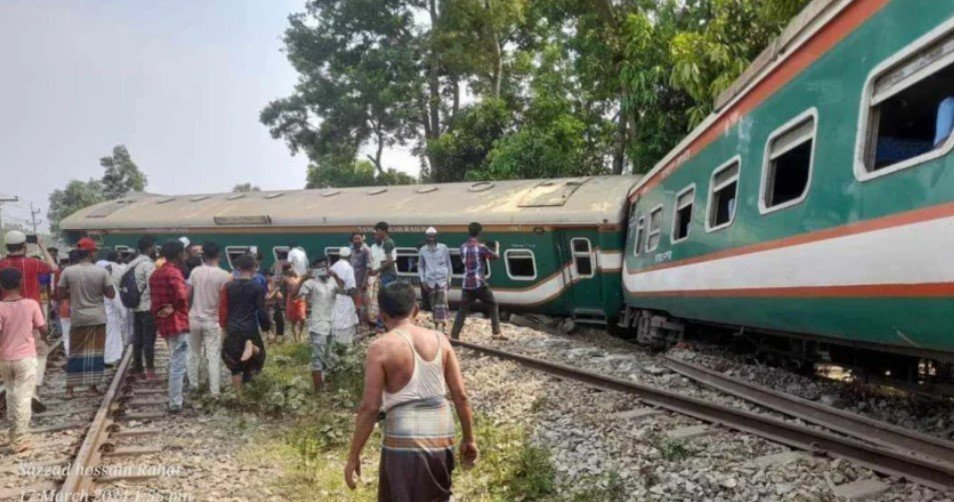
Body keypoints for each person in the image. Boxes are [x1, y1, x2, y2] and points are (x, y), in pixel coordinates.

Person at [344, 282, 478, 499]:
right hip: (442, 435)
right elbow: (460, 396)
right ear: (415, 310)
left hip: (403, 438)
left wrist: (353, 456)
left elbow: (370, 408)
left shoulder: (380, 348)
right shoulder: (440, 340)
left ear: (383, 315)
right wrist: (469, 439)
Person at [56, 238, 115, 398]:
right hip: (97, 317)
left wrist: (72, 292)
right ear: (91, 252)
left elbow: (59, 294)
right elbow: (111, 294)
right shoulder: (101, 271)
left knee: (75, 353)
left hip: (78, 317)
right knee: (96, 353)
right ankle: (92, 388)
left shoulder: (68, 271)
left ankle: (70, 390)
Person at [0, 230, 57, 396]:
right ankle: (34, 387)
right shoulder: (33, 263)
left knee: (8, 352)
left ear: (6, 247)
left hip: (5, 313)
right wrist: (41, 245)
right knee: (39, 351)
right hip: (31, 314)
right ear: (24, 246)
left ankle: (13, 387)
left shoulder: (1, 264)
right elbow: (53, 267)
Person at [0, 268, 48, 453]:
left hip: (5, 358)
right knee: (23, 397)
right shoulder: (31, 304)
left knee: (11, 394)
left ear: (1, 285)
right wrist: (45, 338)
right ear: (21, 282)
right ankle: (19, 440)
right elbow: (42, 328)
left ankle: (13, 435)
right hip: (26, 357)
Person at [149, 240, 190, 413]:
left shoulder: (156, 273)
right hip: (177, 322)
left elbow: (156, 304)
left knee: (175, 358)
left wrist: (164, 313)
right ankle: (175, 403)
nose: (185, 255)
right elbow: (181, 296)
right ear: (179, 254)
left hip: (164, 321)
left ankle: (180, 394)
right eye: (184, 252)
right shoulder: (174, 273)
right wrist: (173, 308)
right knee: (178, 364)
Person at [218, 253, 269, 391]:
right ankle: (253, 348)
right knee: (260, 357)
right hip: (250, 328)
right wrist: (267, 329)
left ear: (238, 268)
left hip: (233, 327)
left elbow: (223, 309)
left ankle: (239, 397)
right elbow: (262, 311)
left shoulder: (228, 287)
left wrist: (224, 327)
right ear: (254, 268)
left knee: (234, 363)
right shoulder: (258, 287)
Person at [187, 242, 231, 397]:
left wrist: (187, 312)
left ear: (203, 255)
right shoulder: (225, 275)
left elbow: (188, 294)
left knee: (193, 354)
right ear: (218, 255)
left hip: (193, 318)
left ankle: (193, 386)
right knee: (213, 356)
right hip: (213, 320)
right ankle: (215, 391)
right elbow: (226, 300)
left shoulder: (195, 272)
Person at [295, 257, 342, 392]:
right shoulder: (310, 283)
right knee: (318, 358)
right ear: (314, 270)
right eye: (319, 268)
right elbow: (294, 296)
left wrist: (336, 276)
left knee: (329, 356)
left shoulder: (333, 281)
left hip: (332, 324)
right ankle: (318, 391)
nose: (323, 271)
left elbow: (345, 292)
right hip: (318, 325)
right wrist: (302, 279)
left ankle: (325, 386)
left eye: (325, 267)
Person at [450, 222, 503, 341]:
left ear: (469, 232)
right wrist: (497, 247)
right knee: (493, 304)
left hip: (466, 284)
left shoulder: (462, 247)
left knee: (462, 309)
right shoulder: (481, 248)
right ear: (479, 233)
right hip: (479, 284)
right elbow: (495, 257)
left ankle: (454, 335)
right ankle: (496, 333)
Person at [126, 235, 158, 379]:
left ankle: (138, 370)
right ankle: (150, 370)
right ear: (150, 248)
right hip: (148, 307)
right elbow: (152, 287)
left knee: (137, 339)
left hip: (134, 307)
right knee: (148, 340)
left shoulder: (130, 264)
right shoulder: (148, 264)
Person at [418, 227, 452, 333]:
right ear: (426, 238)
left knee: (442, 303)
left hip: (442, 279)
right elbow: (420, 266)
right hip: (430, 281)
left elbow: (448, 263)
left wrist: (449, 278)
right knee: (433, 305)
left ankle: (443, 326)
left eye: (433, 237)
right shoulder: (423, 250)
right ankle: (437, 325)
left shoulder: (443, 248)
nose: (431, 239)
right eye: (429, 237)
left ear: (436, 237)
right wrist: (423, 280)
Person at [96, 251, 127, 366]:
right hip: (109, 317)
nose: (110, 270)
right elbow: (117, 302)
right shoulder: (109, 284)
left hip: (95, 316)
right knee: (110, 338)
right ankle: (108, 360)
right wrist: (124, 314)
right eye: (107, 269)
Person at [371, 222, 397, 333]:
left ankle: (380, 325)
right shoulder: (388, 242)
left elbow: (389, 261)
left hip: (387, 274)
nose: (376, 233)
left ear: (383, 231)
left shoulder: (387, 243)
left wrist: (377, 270)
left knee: (383, 299)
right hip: (389, 274)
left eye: (378, 230)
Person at [331, 247, 359, 345]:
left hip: (334, 300)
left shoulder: (333, 267)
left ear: (339, 256)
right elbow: (352, 289)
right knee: (346, 325)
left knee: (335, 324)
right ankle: (345, 348)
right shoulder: (349, 268)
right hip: (345, 300)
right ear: (350, 256)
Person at [348, 233, 372, 326]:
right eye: (355, 239)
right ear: (352, 240)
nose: (357, 241)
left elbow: (369, 267)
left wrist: (365, 282)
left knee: (364, 304)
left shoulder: (366, 250)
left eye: (359, 238)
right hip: (353, 282)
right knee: (356, 304)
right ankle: (357, 323)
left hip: (362, 282)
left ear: (363, 239)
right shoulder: (351, 249)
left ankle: (365, 324)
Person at [284, 267, 306, 342]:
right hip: (291, 299)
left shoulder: (301, 277)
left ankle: (300, 333)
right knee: (293, 321)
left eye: (293, 268)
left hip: (300, 299)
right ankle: (296, 338)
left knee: (303, 318)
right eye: (290, 268)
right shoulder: (286, 279)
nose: (292, 269)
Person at [266, 270, 286, 344]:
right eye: (268, 276)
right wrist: (275, 290)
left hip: (275, 304)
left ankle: (279, 339)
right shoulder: (263, 285)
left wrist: (277, 288)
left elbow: (280, 296)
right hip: (269, 306)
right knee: (272, 323)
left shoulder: (272, 283)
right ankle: (272, 341)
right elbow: (268, 297)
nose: (270, 277)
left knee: (280, 322)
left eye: (271, 276)